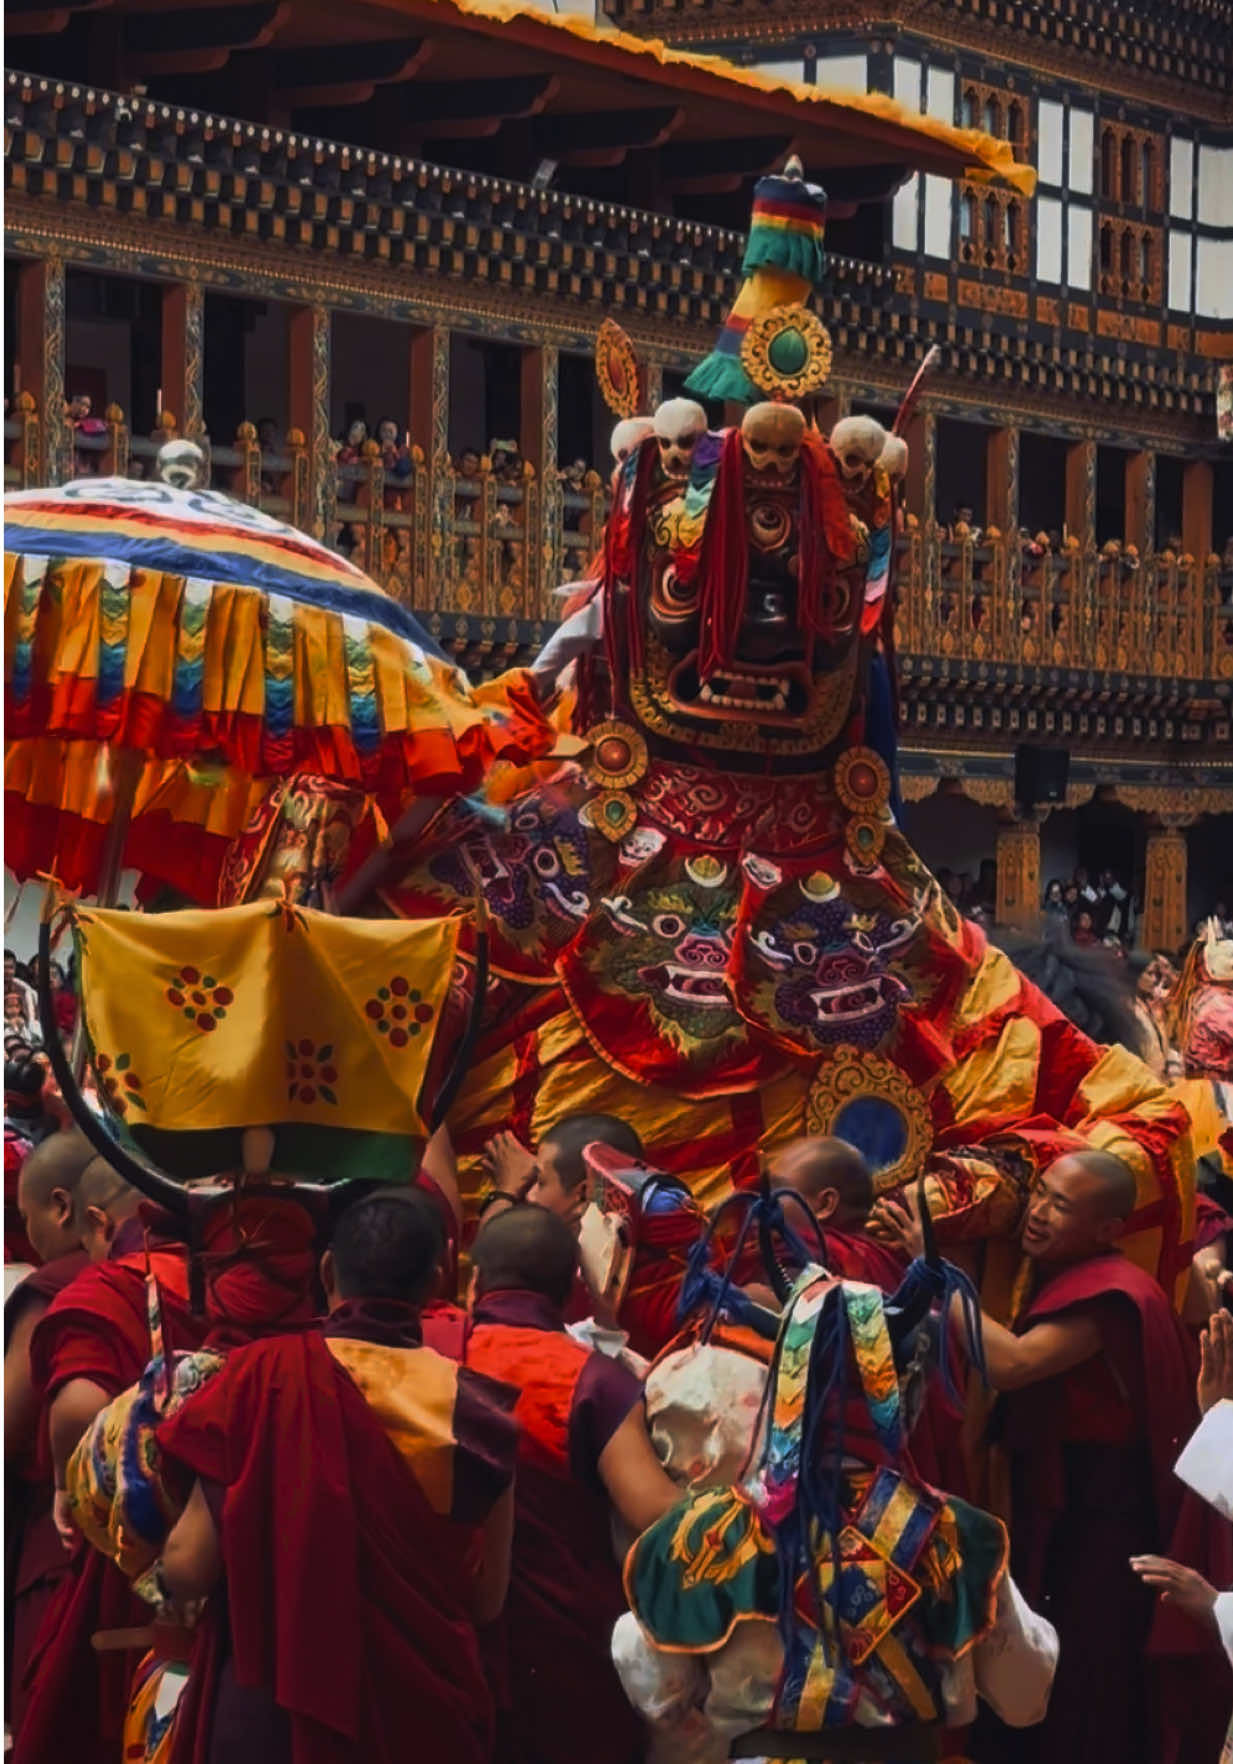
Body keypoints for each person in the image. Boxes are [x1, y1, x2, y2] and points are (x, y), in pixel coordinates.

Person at [156, 1186, 520, 1764]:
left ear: (327, 1270)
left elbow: (189, 1564)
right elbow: (485, 1601)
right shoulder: (476, 1415)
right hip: (417, 1725)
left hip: (270, 1719)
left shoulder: (261, 1379)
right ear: (439, 1279)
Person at [885, 1148, 1224, 1764]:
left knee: (1087, 1672)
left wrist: (932, 1271)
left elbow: (1013, 1365)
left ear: (1107, 1230)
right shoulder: (1054, 1274)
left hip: (1106, 1519)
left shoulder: (1112, 1296)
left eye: (1060, 1206)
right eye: (1039, 1194)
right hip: (1059, 1504)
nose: (1037, 1213)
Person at [466, 1205, 680, 1764]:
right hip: (566, 1652)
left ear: (472, 1281)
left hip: (457, 1640)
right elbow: (655, 1511)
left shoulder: (438, 1356)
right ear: (570, 1291)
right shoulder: (589, 1378)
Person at [14, 1163, 203, 1764]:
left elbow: (79, 1403)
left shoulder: (104, 1289)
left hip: (126, 1553)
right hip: (227, 1550)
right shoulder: (230, 1278)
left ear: (95, 1221)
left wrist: (73, 1487)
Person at [5, 1132, 95, 1736]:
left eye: (25, 1215)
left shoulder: (58, 1291)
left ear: (62, 1208)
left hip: (58, 1536)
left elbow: (8, 1423)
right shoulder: (151, 1271)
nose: (27, 1234)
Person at [4, 950, 39, 1039]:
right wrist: (8, 1022)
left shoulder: (25, 990)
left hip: (23, 1032)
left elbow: (33, 1019)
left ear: (15, 969)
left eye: (10, 968)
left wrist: (23, 1021)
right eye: (3, 967)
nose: (7, 971)